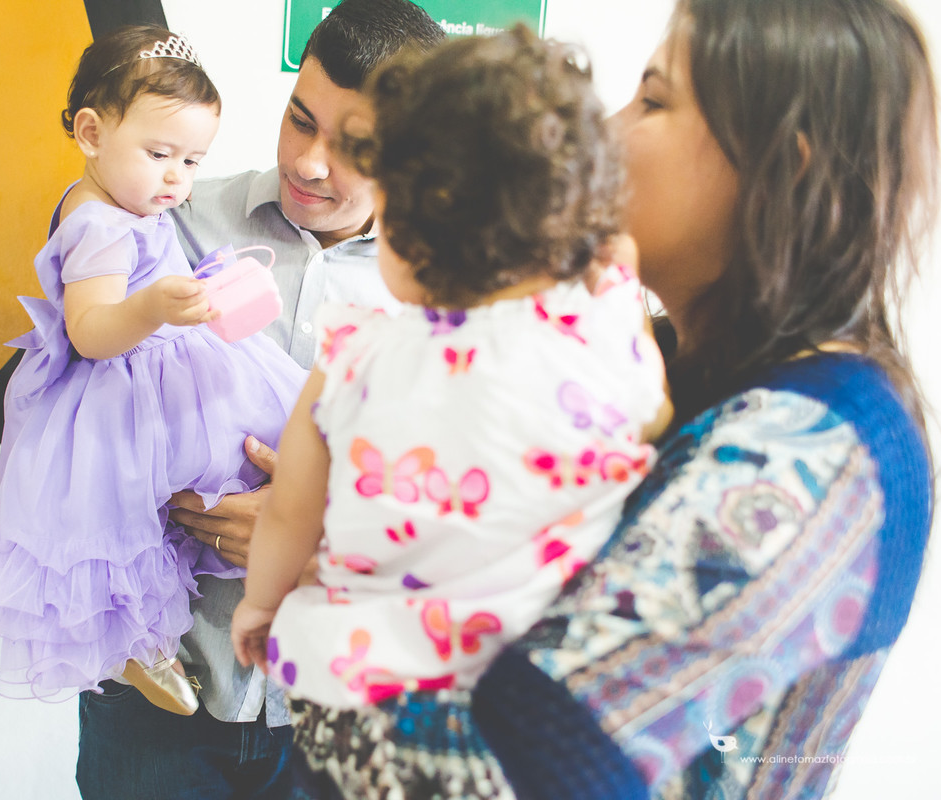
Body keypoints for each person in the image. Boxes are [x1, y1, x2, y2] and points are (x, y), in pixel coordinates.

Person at [288, 0, 939, 797]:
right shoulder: (650, 358)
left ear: (779, 170)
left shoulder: (813, 453)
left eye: (654, 101)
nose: (609, 133)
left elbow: (493, 768)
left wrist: (319, 606)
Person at [229, 21, 670, 783]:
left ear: (402, 220)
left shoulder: (354, 356)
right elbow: (652, 423)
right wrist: (616, 285)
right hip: (508, 721)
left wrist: (260, 609)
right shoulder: (604, 346)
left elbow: (289, 515)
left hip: (357, 709)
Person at [74, 2, 446, 798]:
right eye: (299, 119)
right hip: (153, 699)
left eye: (355, 147)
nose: (310, 164)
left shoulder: (453, 291)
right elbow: (77, 411)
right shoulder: (165, 219)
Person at [0, 24, 305, 716]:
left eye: (193, 160)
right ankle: (130, 645)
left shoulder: (126, 202)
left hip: (149, 377)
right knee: (118, 525)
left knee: (245, 452)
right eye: (160, 154)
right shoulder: (96, 222)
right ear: (91, 133)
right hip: (114, 393)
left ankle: (177, 626)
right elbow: (92, 332)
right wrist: (154, 305)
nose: (178, 179)